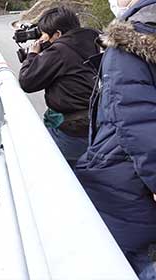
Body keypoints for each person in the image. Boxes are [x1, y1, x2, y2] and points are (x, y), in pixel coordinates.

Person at [75, 0, 156, 278]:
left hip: (124, 176)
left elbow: (138, 122)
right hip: (131, 170)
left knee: (125, 260)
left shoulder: (127, 47)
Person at [18, 6, 100, 168]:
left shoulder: (60, 50)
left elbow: (27, 81)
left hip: (70, 128)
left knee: (60, 172)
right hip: (92, 122)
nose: (43, 38)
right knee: (83, 172)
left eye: (45, 35)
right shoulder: (91, 42)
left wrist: (33, 55)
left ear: (58, 34)